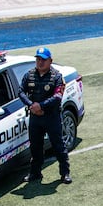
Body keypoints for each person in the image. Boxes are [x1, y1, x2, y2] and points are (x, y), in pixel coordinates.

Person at [20, 46, 72, 185]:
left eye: (43, 60)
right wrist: (31, 105)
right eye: (38, 59)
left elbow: (57, 96)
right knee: (35, 147)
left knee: (58, 146)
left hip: (51, 117)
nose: (40, 62)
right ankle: (35, 173)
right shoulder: (29, 75)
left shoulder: (57, 77)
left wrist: (40, 106)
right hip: (35, 117)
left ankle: (65, 173)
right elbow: (21, 92)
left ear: (50, 61)